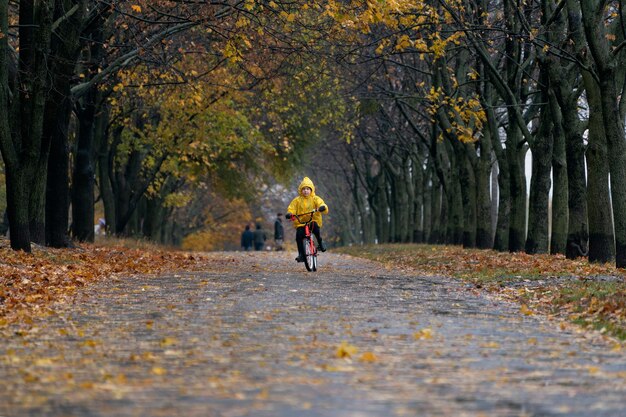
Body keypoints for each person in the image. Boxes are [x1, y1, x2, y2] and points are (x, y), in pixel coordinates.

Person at [286, 176, 328, 262]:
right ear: (301, 190)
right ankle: (301, 254)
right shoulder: (297, 200)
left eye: (308, 189)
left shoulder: (315, 198)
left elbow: (321, 203)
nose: (306, 191)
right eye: (304, 189)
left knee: (315, 228)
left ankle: (320, 243)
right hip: (301, 222)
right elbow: (291, 208)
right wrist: (290, 213)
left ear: (311, 190)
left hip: (313, 219)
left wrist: (322, 207)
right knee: (298, 236)